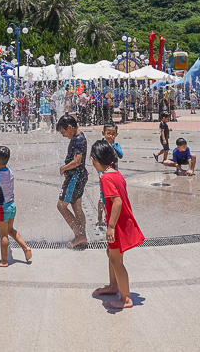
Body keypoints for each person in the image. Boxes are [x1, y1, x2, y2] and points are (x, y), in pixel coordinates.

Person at [90, 139, 144, 309]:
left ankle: (126, 298)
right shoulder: (115, 173)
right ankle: (113, 286)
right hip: (122, 222)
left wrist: (111, 226)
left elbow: (117, 202)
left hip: (118, 226)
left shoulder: (106, 178)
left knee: (117, 261)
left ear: (95, 160)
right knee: (112, 255)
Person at [0, 145, 32, 267]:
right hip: (12, 205)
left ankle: (4, 261)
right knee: (10, 230)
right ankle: (25, 248)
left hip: (2, 208)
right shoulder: (10, 171)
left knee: (3, 235)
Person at [56, 114, 88, 249]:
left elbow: (77, 161)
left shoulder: (78, 140)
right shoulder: (78, 137)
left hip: (75, 177)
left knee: (61, 206)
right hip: (79, 177)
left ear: (70, 127)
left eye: (64, 132)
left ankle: (79, 235)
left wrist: (64, 168)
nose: (64, 135)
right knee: (77, 208)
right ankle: (82, 237)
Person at [95, 123, 124, 227]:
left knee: (114, 197)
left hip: (114, 175)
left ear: (116, 134)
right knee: (102, 196)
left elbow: (120, 155)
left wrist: (112, 145)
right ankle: (99, 217)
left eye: (113, 134)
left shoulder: (116, 146)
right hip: (104, 176)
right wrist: (99, 173)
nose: (110, 136)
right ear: (103, 133)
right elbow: (96, 160)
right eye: (108, 133)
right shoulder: (100, 146)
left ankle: (109, 216)